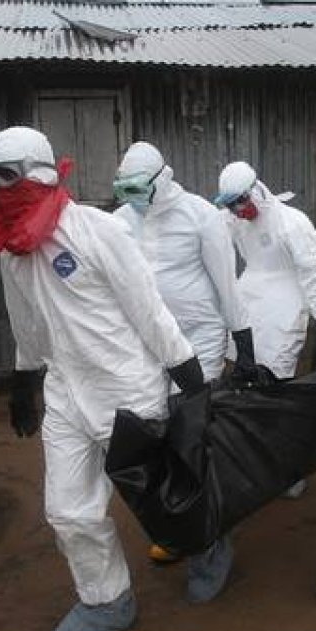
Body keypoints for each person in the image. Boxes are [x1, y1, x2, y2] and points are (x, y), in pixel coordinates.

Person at [0, 126, 230, 631]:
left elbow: (147, 309)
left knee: (162, 495)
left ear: (41, 174)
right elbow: (26, 324)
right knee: (68, 509)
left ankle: (209, 546)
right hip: (66, 391)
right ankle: (107, 601)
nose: (0, 187)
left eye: (9, 175)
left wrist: (189, 376)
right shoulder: (11, 252)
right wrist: (24, 382)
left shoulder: (98, 231)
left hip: (126, 390)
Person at [112, 141, 257, 564]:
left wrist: (242, 345)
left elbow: (228, 286)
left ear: (164, 179)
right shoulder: (120, 222)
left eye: (140, 189)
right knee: (155, 427)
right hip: (147, 344)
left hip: (200, 339)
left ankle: (213, 533)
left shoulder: (201, 216)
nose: (134, 199)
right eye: (127, 190)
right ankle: (174, 519)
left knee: (194, 431)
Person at [213, 161, 316, 498]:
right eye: (229, 205)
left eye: (239, 202)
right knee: (244, 380)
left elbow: (311, 275)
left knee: (278, 385)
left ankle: (287, 467)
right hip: (249, 298)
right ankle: (252, 458)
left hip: (286, 303)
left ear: (257, 190)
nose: (236, 211)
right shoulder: (231, 221)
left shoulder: (292, 223)